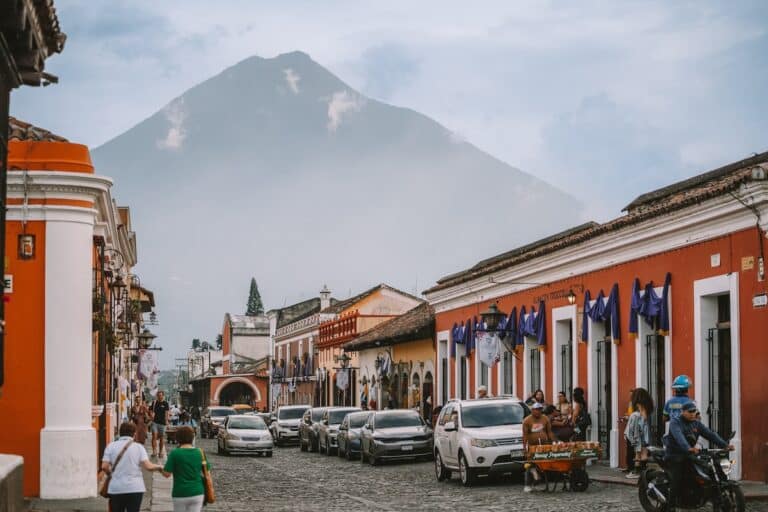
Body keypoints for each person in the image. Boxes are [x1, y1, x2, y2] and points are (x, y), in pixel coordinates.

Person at [663, 401, 733, 510]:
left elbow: (710, 434)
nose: (692, 414)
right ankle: (670, 507)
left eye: (694, 411)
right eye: (689, 412)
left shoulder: (696, 423)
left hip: (689, 454)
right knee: (676, 480)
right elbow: (678, 436)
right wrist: (688, 448)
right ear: (683, 412)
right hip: (675, 455)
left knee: (705, 470)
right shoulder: (675, 422)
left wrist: (725, 445)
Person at [101, 422, 163, 512]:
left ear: (120, 432)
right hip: (135, 488)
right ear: (134, 434)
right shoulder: (139, 447)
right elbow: (148, 466)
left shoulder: (111, 446)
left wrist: (111, 474)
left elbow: (104, 466)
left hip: (116, 488)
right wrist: (160, 467)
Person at [161, 426, 210, 512]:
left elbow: (166, 474)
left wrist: (158, 468)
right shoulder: (200, 452)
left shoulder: (175, 453)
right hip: (197, 492)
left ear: (178, 438)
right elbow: (207, 474)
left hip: (180, 493)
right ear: (192, 438)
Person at [522, 402, 555, 492]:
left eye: (540, 410)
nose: (538, 412)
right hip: (532, 446)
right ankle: (528, 485)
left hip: (544, 445)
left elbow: (549, 432)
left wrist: (553, 443)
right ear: (532, 410)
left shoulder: (545, 419)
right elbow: (525, 435)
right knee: (530, 464)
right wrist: (524, 448)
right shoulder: (527, 421)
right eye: (536, 410)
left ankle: (538, 482)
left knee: (542, 464)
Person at [624, 388, 654, 479]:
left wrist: (631, 436)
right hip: (645, 434)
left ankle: (637, 472)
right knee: (644, 452)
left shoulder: (638, 411)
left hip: (638, 434)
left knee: (637, 452)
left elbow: (637, 425)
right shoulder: (645, 407)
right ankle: (644, 471)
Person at [150, 390, 170, 458]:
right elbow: (150, 410)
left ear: (163, 396)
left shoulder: (165, 403)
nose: (160, 397)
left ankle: (160, 452)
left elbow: (167, 413)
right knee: (154, 436)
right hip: (155, 422)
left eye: (161, 395)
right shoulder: (154, 403)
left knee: (161, 438)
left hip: (162, 423)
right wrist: (151, 415)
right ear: (157, 396)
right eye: (158, 395)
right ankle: (154, 451)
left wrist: (167, 421)